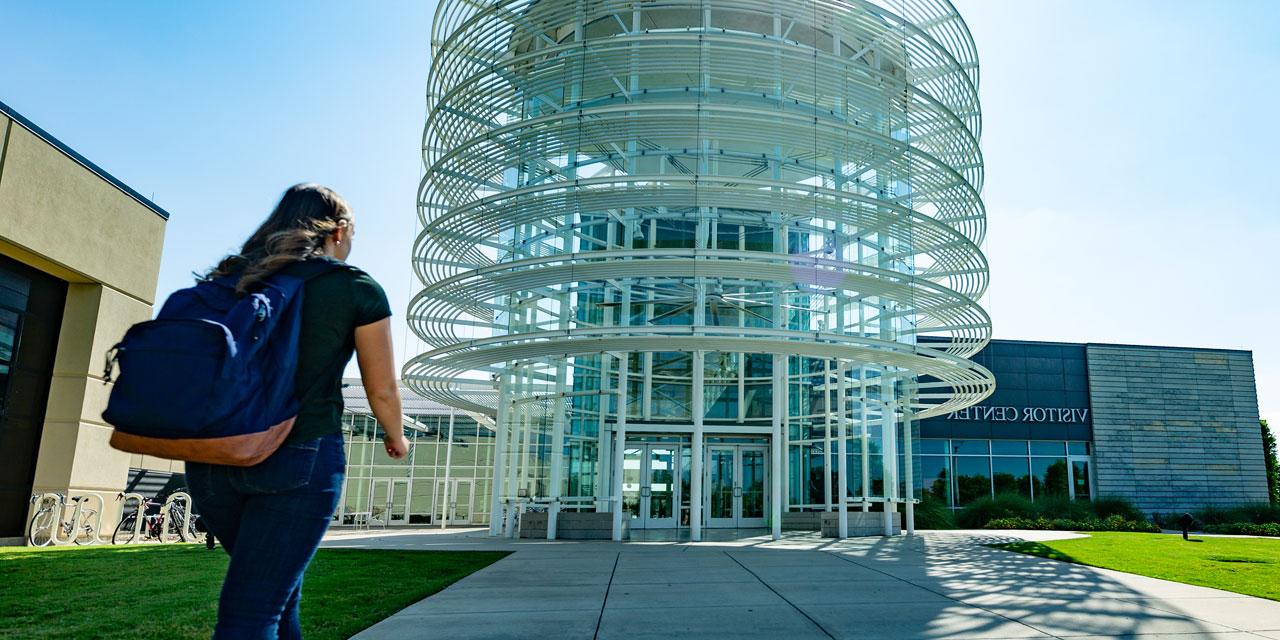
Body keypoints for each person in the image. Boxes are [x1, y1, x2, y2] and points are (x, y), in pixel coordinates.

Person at [185, 184, 410, 639]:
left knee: (277, 595)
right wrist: (396, 436)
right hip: (299, 455)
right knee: (250, 615)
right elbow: (381, 388)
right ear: (339, 231)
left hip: (212, 458)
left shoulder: (228, 279)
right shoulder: (354, 287)